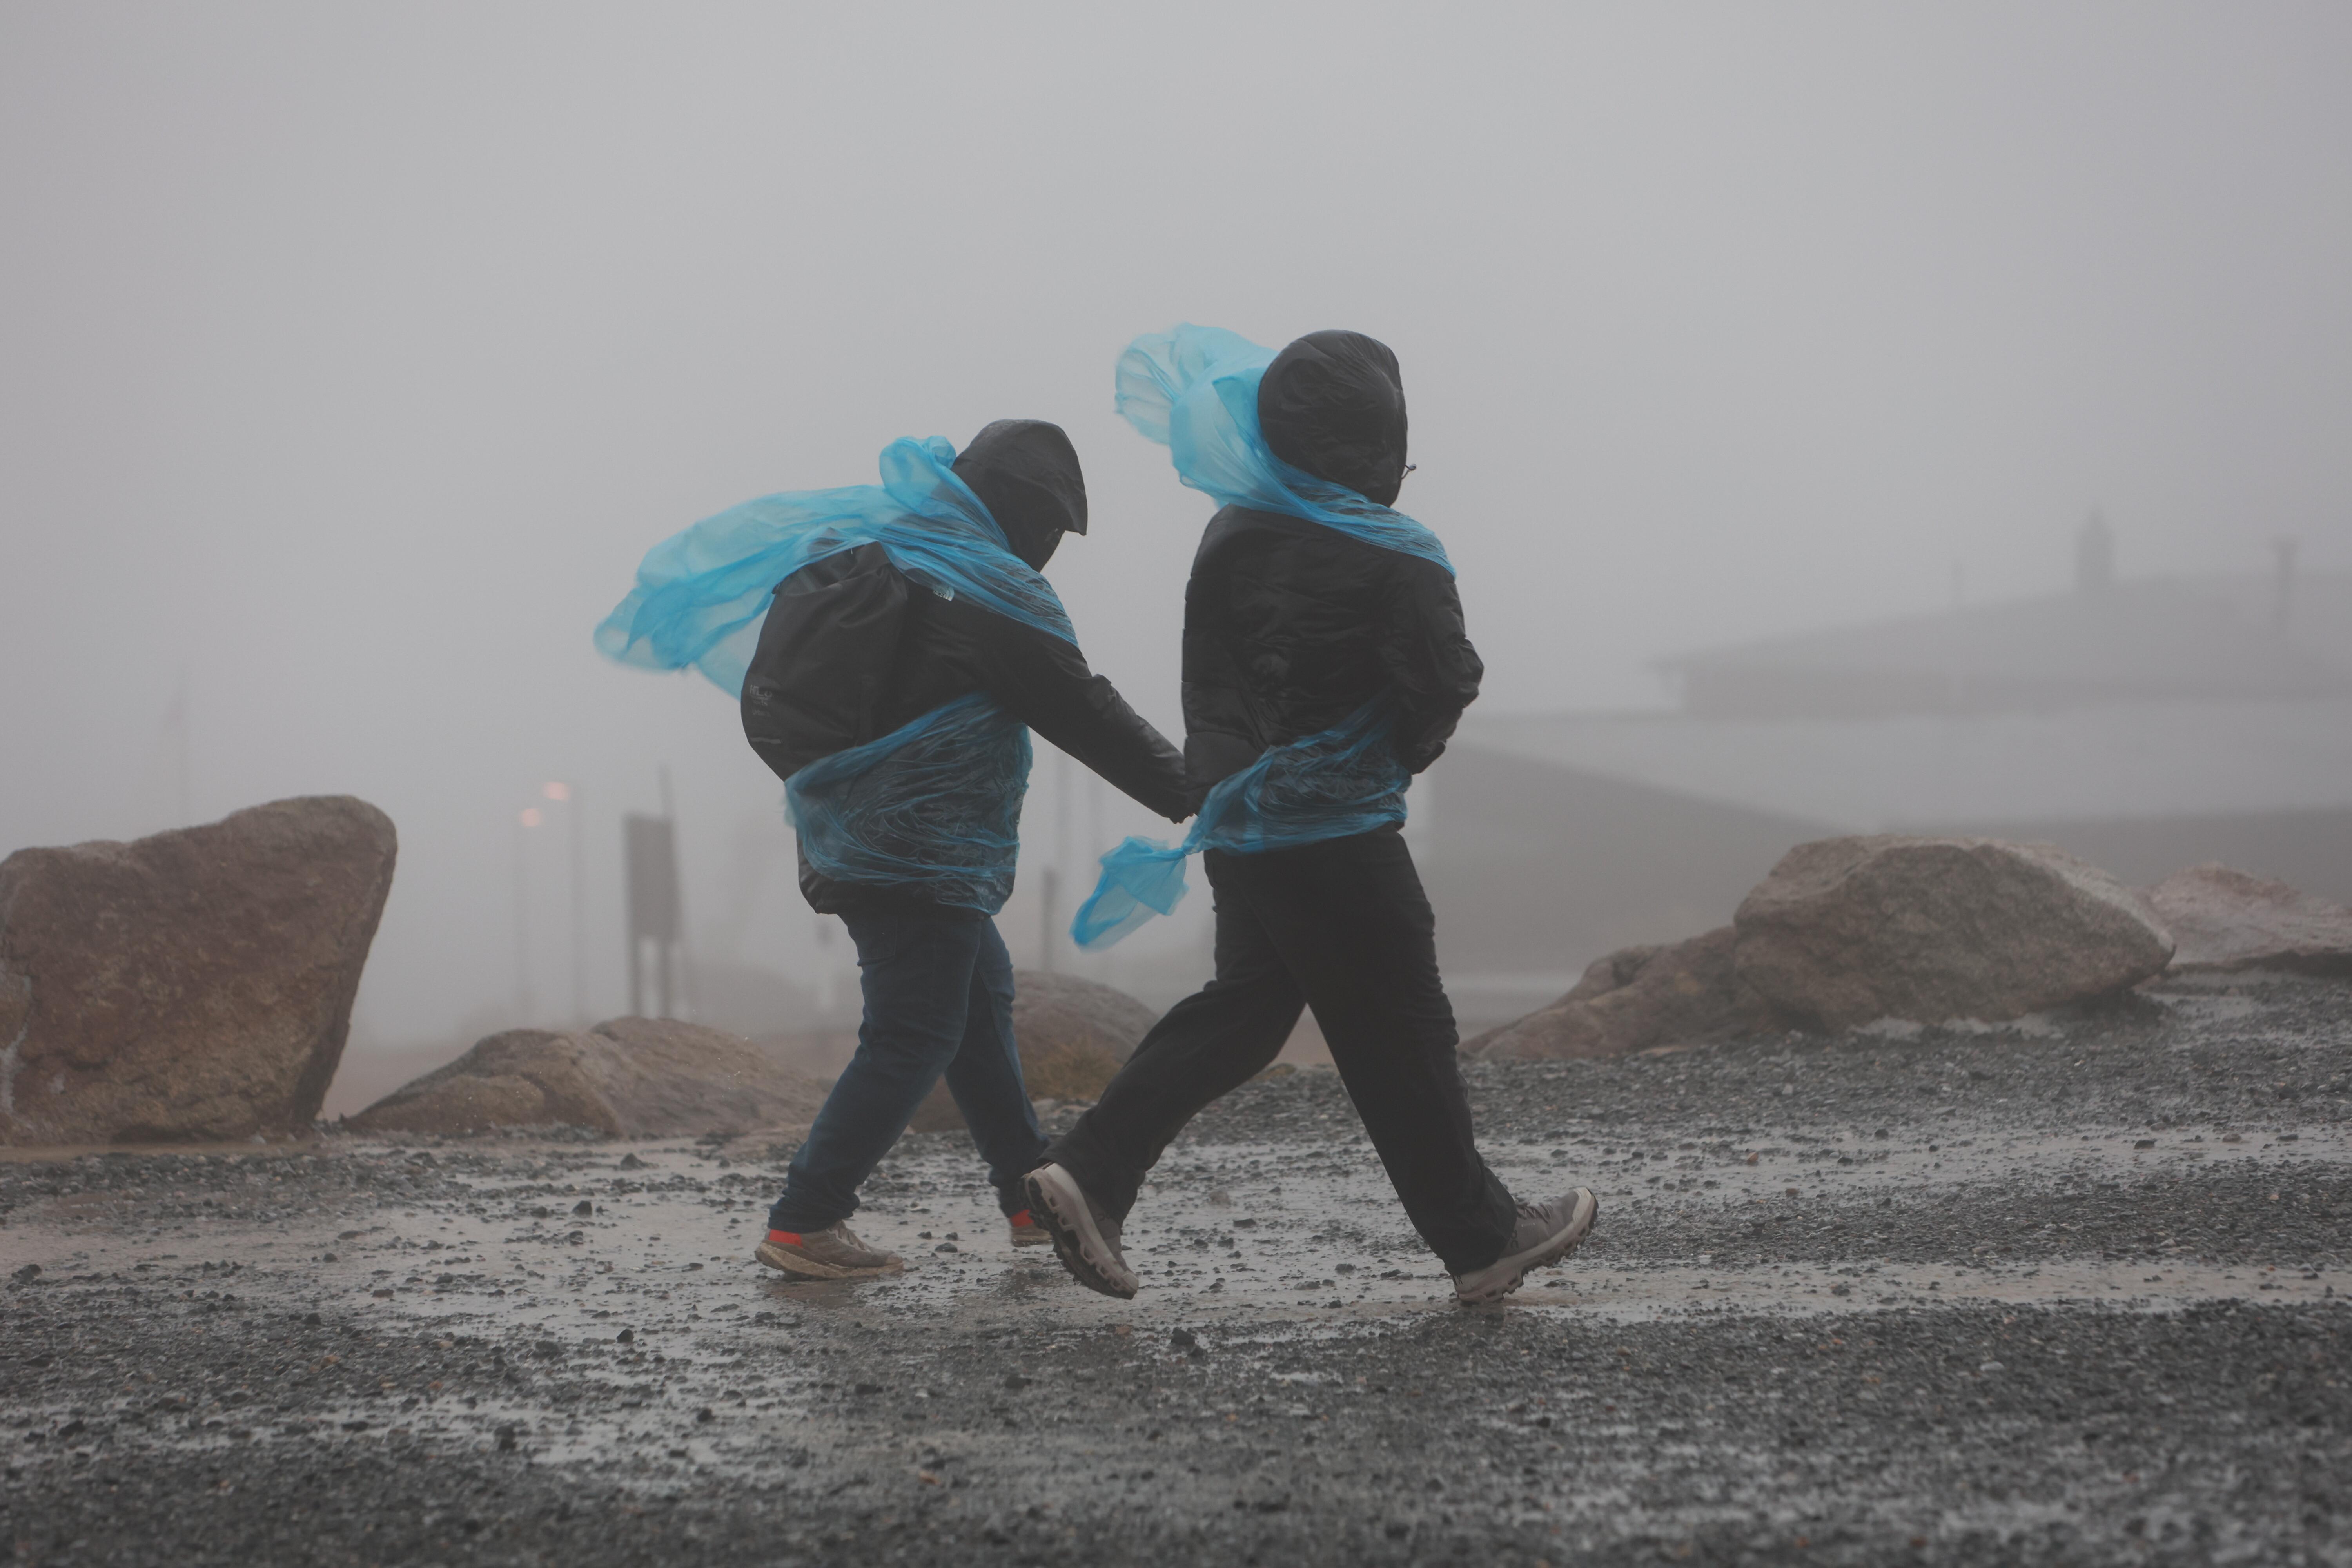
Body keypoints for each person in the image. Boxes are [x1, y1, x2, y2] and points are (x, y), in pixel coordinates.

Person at [1023, 328, 1597, 1306]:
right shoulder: (1398, 552)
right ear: (1379, 434)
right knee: (1402, 1028)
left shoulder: (1231, 531)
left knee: (1245, 1013)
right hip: (1339, 838)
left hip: (1242, 827)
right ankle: (1483, 1234)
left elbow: (1211, 683)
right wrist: (1386, 763)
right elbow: (1441, 683)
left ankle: (1092, 1170)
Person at [596, 421, 1187, 1280]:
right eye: (1052, 528)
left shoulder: (899, 548)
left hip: (866, 834)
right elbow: (1083, 709)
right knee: (913, 1030)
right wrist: (1197, 788)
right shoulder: (983, 586)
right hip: (921, 850)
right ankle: (807, 1218)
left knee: (978, 998)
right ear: (1030, 514)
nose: (1052, 548)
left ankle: (1029, 1197)